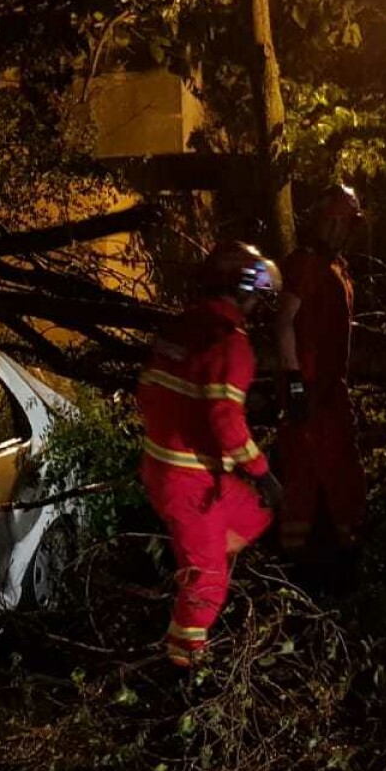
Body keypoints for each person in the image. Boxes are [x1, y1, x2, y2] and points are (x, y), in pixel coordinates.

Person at [136, 242, 286, 668]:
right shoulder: (232, 344)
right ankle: (184, 670)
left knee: (252, 513)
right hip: (190, 481)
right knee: (208, 586)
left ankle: (195, 559)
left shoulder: (181, 326)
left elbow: (148, 390)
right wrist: (262, 473)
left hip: (162, 466)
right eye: (256, 293)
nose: (258, 303)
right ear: (242, 290)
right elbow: (225, 421)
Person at [274, 185, 367, 564]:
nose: (336, 230)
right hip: (310, 388)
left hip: (331, 388)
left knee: (338, 471)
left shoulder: (336, 268)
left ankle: (336, 557)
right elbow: (284, 322)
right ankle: (299, 565)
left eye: (343, 223)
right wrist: (294, 382)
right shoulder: (306, 264)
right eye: (331, 221)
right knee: (306, 474)